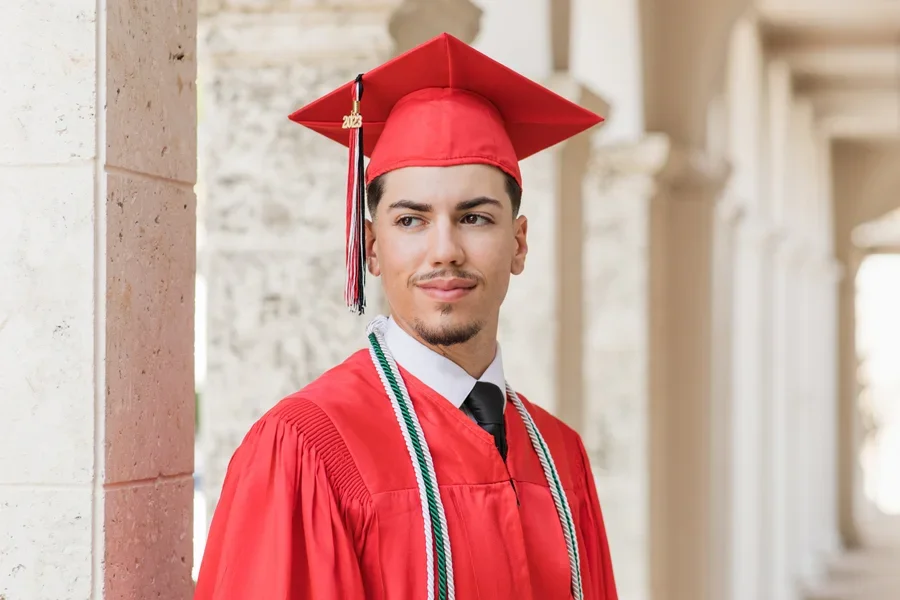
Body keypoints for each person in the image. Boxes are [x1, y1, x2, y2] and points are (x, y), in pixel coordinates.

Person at [194, 33, 618, 600]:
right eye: (412, 221)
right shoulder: (305, 450)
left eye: (474, 218)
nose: (444, 250)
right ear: (371, 247)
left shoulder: (560, 456)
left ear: (519, 244)